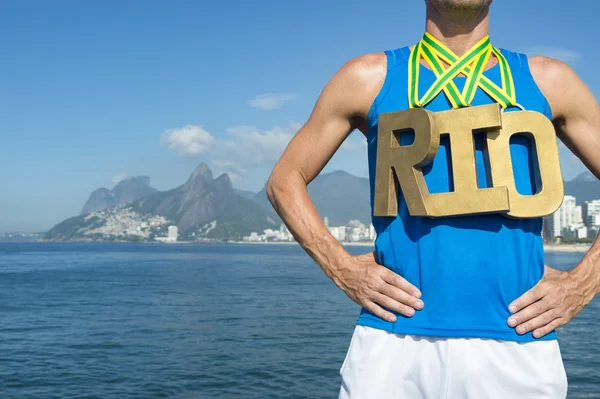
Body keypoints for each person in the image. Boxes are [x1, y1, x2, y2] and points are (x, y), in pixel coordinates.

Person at [266, 0, 600, 397]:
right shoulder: (367, 77)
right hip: (393, 342)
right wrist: (342, 269)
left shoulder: (551, 82)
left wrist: (584, 282)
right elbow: (285, 180)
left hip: (519, 337)